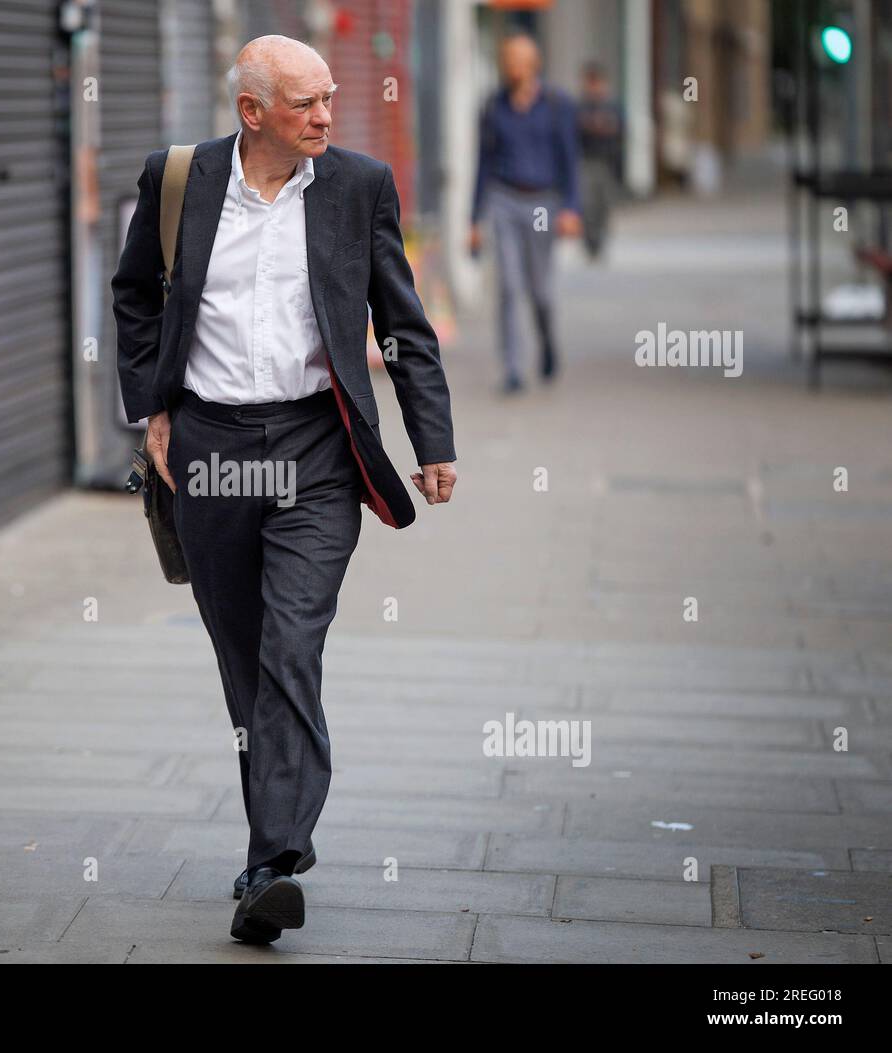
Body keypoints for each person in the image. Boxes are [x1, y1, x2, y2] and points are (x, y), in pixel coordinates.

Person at [112, 35, 457, 944]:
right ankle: (274, 836)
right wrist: (152, 407)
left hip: (315, 448)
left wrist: (434, 440)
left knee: (292, 643)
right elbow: (135, 294)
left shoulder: (357, 185)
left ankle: (273, 858)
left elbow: (402, 321)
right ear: (251, 111)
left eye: (329, 98)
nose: (325, 116)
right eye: (305, 103)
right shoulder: (178, 181)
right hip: (213, 448)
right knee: (245, 654)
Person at [469, 33, 582, 393]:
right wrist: (473, 219)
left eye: (519, 59)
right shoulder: (493, 106)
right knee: (508, 285)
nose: (512, 66)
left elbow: (570, 159)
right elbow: (483, 164)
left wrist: (571, 208)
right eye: (508, 59)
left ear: (534, 64)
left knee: (541, 289)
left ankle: (547, 342)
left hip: (542, 203)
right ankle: (513, 368)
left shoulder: (556, 104)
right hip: (503, 199)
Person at [577, 62, 625, 260]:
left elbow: (620, 129)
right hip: (586, 161)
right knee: (587, 204)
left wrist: (603, 126)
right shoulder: (581, 106)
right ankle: (590, 243)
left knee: (603, 205)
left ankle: (600, 241)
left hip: (607, 162)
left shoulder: (612, 106)